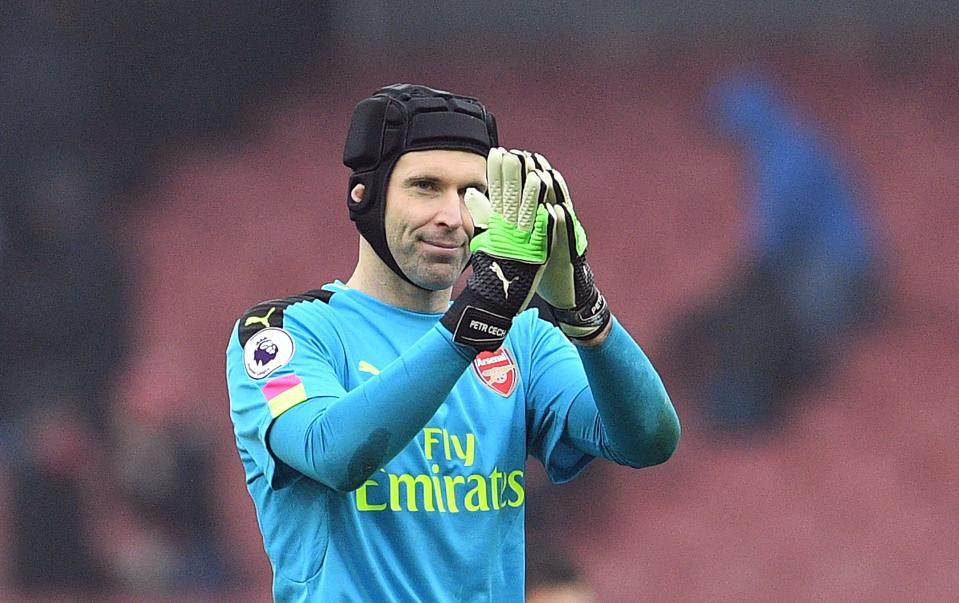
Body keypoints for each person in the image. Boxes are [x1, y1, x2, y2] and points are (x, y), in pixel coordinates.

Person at [225, 84, 680, 601]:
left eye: (473, 192)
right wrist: (475, 321)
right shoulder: (280, 331)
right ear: (364, 195)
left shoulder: (524, 340)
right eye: (425, 186)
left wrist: (585, 313)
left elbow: (649, 441)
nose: (453, 215)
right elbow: (334, 455)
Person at [669, 72, 881, 433]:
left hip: (838, 266)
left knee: (772, 315)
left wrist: (738, 289)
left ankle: (754, 394)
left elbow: (772, 241)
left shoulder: (787, 156)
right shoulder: (785, 147)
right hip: (813, 261)